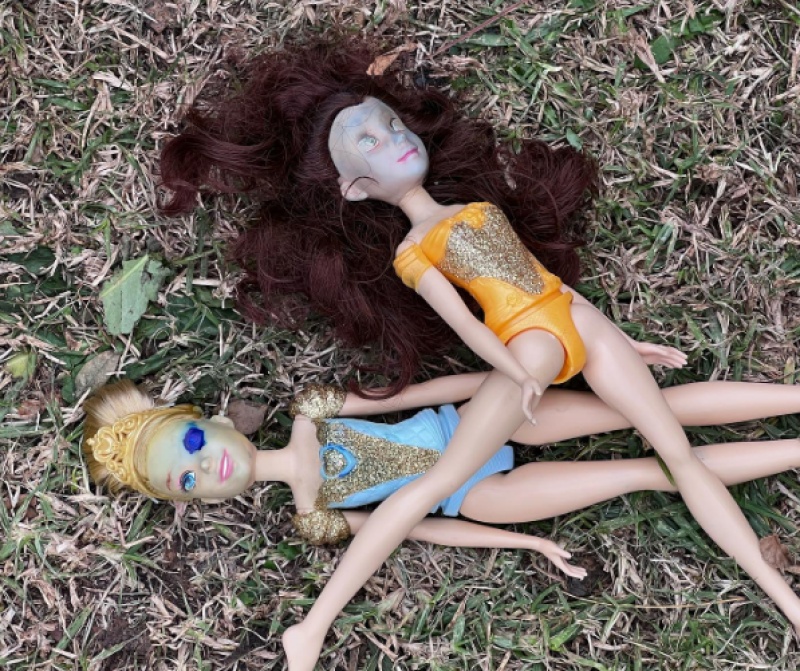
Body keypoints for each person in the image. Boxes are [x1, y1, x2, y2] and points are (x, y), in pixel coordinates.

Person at [158, 40, 800, 669]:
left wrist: (618, 337)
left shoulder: (472, 209)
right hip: (524, 363)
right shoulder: (413, 253)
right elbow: (465, 324)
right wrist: (518, 372)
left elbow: (541, 279)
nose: (393, 138)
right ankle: (313, 626)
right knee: (445, 485)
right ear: (353, 188)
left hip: (568, 324)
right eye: (369, 144)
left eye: (389, 124)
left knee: (672, 443)